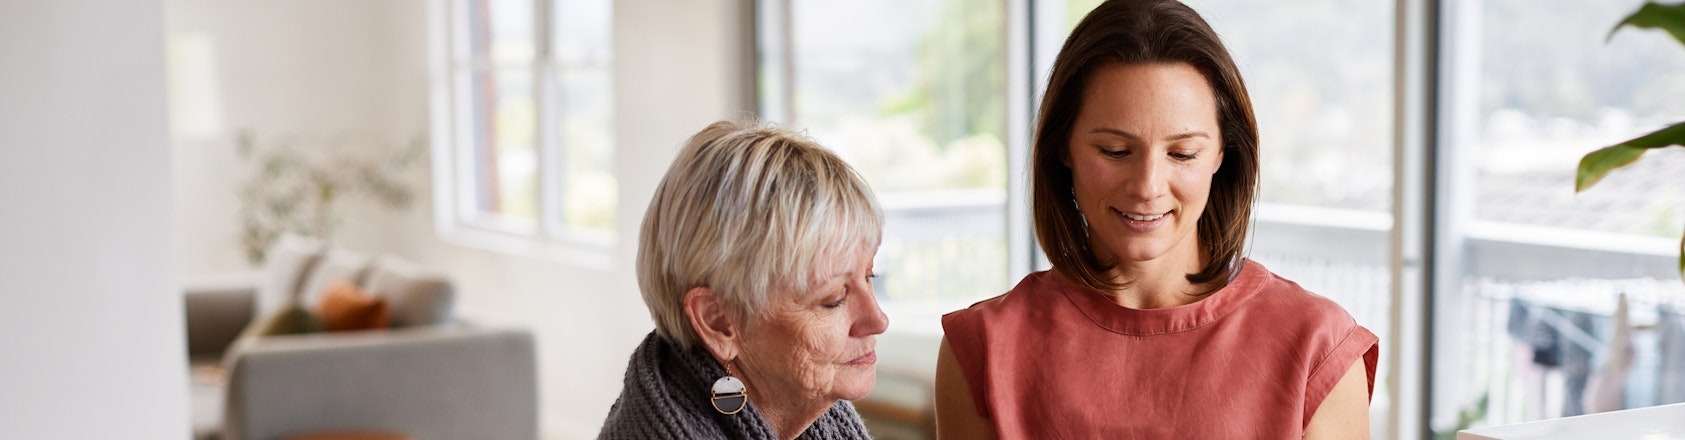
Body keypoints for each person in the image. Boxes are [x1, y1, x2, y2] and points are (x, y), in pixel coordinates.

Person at [935, 0, 1379, 438]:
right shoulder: (982, 351)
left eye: (1182, 153)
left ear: (1223, 154)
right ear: (1062, 147)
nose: (1147, 186)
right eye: (1115, 151)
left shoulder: (1319, 348)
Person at [598, 119, 888, 440]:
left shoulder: (813, 414)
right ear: (719, 321)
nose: (878, 319)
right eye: (833, 298)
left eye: (869, 276)